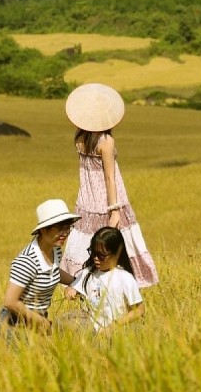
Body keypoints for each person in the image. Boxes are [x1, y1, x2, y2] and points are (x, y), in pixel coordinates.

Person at [62, 83, 158, 288]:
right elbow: (109, 177)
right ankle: (122, 286)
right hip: (107, 200)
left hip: (86, 200)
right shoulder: (105, 140)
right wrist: (114, 209)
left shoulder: (79, 137)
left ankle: (84, 284)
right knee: (116, 245)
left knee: (89, 246)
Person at [0, 199, 81, 338]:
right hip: (15, 325)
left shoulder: (55, 250)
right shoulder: (27, 261)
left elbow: (53, 271)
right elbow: (10, 301)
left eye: (67, 228)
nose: (65, 233)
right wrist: (40, 321)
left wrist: (77, 283)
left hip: (37, 321)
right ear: (43, 230)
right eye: (59, 228)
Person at [63, 227, 145, 333]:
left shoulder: (125, 278)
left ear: (116, 254)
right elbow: (72, 288)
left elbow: (139, 309)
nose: (96, 258)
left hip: (118, 331)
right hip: (91, 330)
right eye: (93, 253)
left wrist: (114, 326)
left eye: (101, 255)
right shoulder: (88, 272)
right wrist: (70, 291)